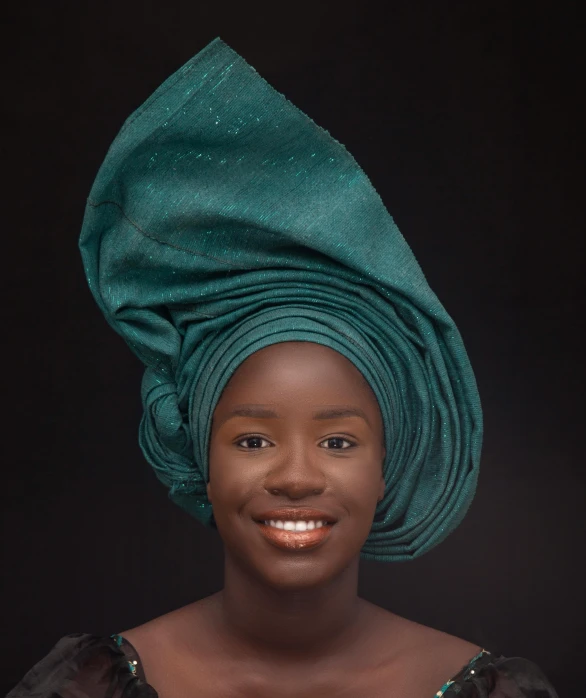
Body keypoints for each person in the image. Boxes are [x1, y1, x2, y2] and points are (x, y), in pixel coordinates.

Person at [8, 39, 558, 698]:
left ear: (390, 464)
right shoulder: (94, 686)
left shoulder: (483, 689)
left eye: (337, 441)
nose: (296, 476)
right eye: (252, 439)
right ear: (198, 462)